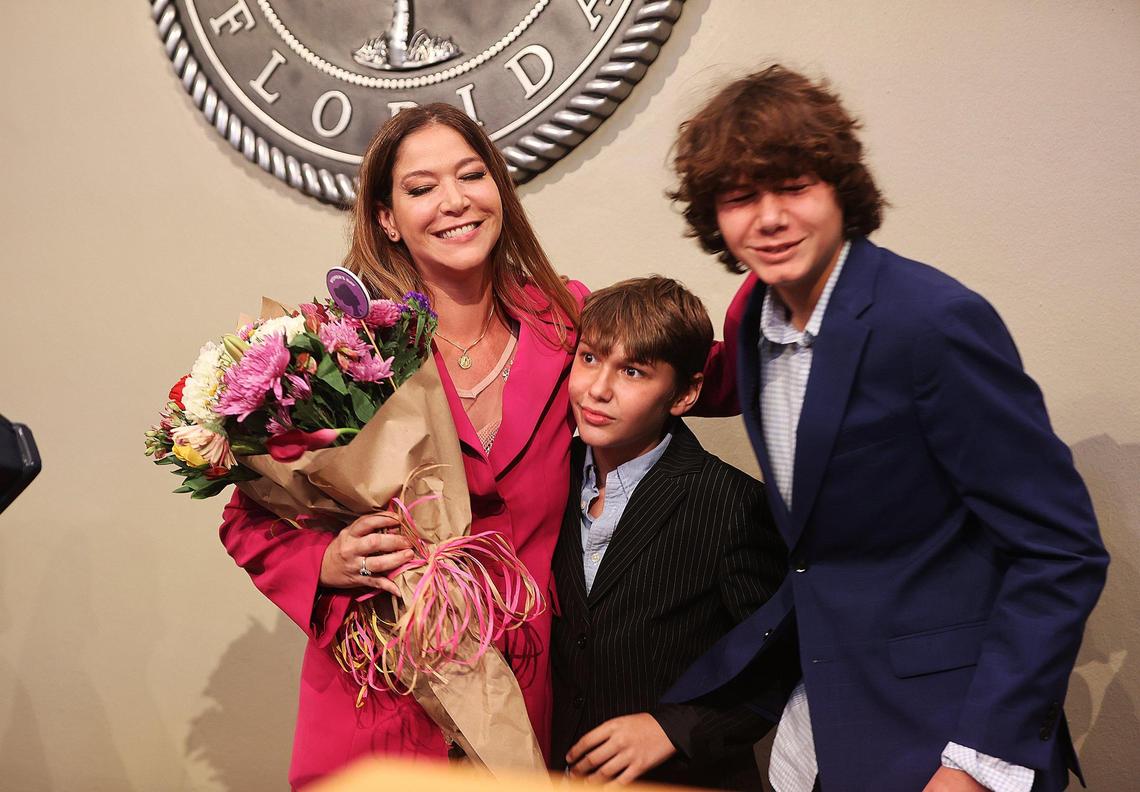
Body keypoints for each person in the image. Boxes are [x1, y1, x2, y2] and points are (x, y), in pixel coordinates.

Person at [661, 66, 1108, 792]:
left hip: (952, 744)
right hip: (840, 728)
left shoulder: (930, 320)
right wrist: (688, 711)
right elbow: (823, 562)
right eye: (741, 197)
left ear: (842, 187)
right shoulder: (753, 334)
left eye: (794, 186)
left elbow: (1060, 551)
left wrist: (976, 762)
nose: (769, 217)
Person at [218, 103, 585, 789]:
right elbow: (247, 520)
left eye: (472, 175)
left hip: (524, 692)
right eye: (421, 188)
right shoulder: (336, 351)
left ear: (499, 187)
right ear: (386, 217)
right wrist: (324, 561)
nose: (454, 202)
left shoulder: (565, 323)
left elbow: (693, 374)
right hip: (380, 697)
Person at [550, 277, 792, 788]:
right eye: (590, 358)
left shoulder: (733, 506)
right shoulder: (548, 475)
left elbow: (779, 658)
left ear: (684, 393)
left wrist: (672, 728)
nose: (599, 389)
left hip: (683, 777)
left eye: (633, 371)